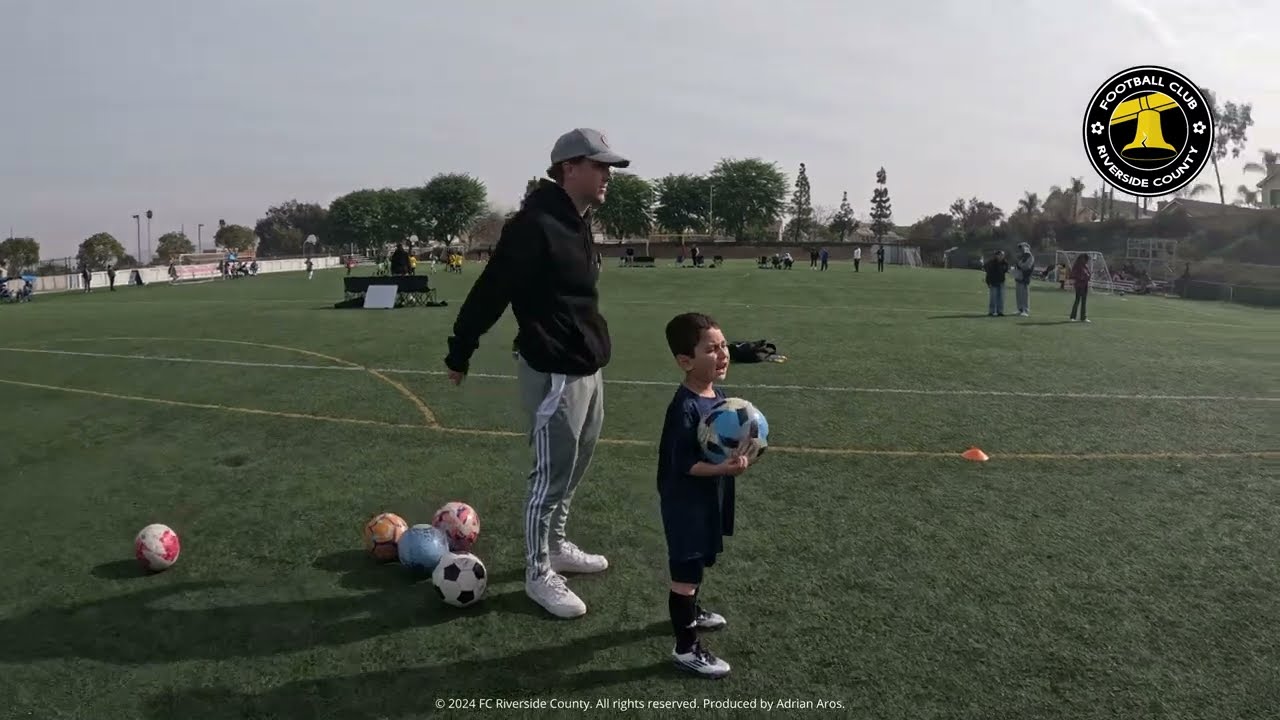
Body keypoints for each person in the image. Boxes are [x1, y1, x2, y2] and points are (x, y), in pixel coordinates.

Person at [444, 127, 629, 618]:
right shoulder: (534, 224)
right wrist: (460, 350)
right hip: (552, 371)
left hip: (588, 366)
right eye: (599, 165)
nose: (607, 174)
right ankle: (536, 572)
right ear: (570, 168)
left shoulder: (578, 220)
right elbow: (491, 291)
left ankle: (557, 547)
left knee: (574, 467)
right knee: (548, 476)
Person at [657, 312, 750, 678]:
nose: (723, 353)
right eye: (712, 349)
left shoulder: (718, 395)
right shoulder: (684, 407)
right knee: (685, 572)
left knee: (698, 565)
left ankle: (692, 611)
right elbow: (685, 465)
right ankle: (686, 648)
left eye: (724, 345)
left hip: (708, 499)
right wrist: (726, 469)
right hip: (685, 503)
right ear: (685, 361)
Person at [984, 250, 1009, 316]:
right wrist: (988, 282)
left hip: (1001, 282)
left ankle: (1000, 311)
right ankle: (991, 311)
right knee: (993, 298)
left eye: (1003, 255)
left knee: (1001, 298)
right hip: (993, 282)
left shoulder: (1005, 263)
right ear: (996, 255)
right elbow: (988, 273)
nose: (1002, 256)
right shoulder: (991, 262)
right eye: (1000, 255)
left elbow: (1005, 270)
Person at [1013, 242, 1035, 316]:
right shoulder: (1022, 257)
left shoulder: (1030, 257)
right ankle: (1020, 309)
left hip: (1025, 278)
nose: (1020, 250)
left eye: (1022, 248)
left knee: (1024, 295)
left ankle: (1025, 310)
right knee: (1018, 295)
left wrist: (1019, 264)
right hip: (1018, 277)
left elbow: (1027, 267)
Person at [1069, 253, 1092, 323]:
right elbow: (1075, 274)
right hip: (1079, 285)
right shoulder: (1078, 265)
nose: (1087, 261)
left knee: (1084, 301)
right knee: (1077, 300)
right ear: (1083, 259)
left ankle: (1083, 317)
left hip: (1085, 285)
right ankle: (1073, 317)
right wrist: (1084, 277)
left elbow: (1088, 274)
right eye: (1086, 259)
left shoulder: (1085, 266)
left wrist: (1088, 276)